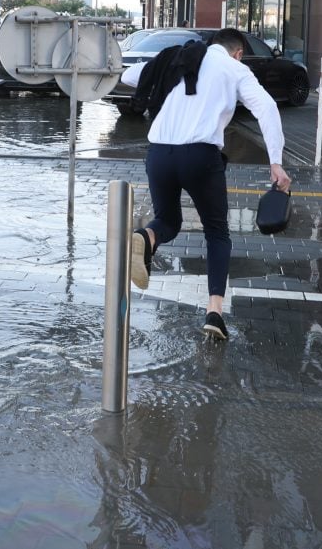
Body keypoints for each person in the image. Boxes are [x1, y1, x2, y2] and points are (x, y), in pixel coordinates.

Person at [123, 28, 291, 340]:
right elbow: (266, 108)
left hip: (158, 154)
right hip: (200, 155)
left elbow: (132, 76)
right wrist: (275, 162)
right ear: (238, 52)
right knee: (217, 233)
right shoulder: (235, 68)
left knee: (167, 221)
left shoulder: (178, 59)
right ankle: (214, 312)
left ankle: (145, 236)